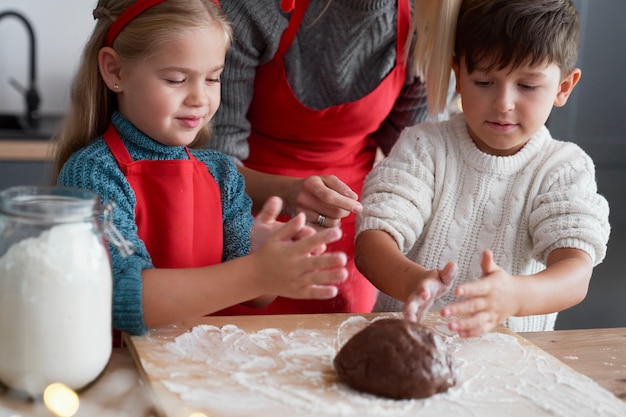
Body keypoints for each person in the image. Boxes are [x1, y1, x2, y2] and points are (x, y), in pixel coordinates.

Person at [52, 0, 349, 340]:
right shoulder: (94, 173)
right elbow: (122, 296)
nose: (199, 98)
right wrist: (256, 272)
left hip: (193, 368)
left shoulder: (220, 173)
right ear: (115, 71)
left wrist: (273, 256)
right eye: (177, 79)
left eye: (213, 78)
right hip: (118, 371)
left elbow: (256, 295)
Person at [354, 0, 611, 337]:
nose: (503, 103)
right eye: (484, 82)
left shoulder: (563, 169)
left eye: (527, 86)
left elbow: (575, 272)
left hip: (516, 364)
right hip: (409, 344)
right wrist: (413, 282)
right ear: (457, 76)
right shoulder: (424, 147)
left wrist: (516, 297)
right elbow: (373, 239)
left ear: (563, 87)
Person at [207, 0, 440, 315]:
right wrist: (289, 194)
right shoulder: (259, 9)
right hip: (242, 219)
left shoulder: (426, 26)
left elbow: (413, 162)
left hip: (349, 238)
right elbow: (210, 164)